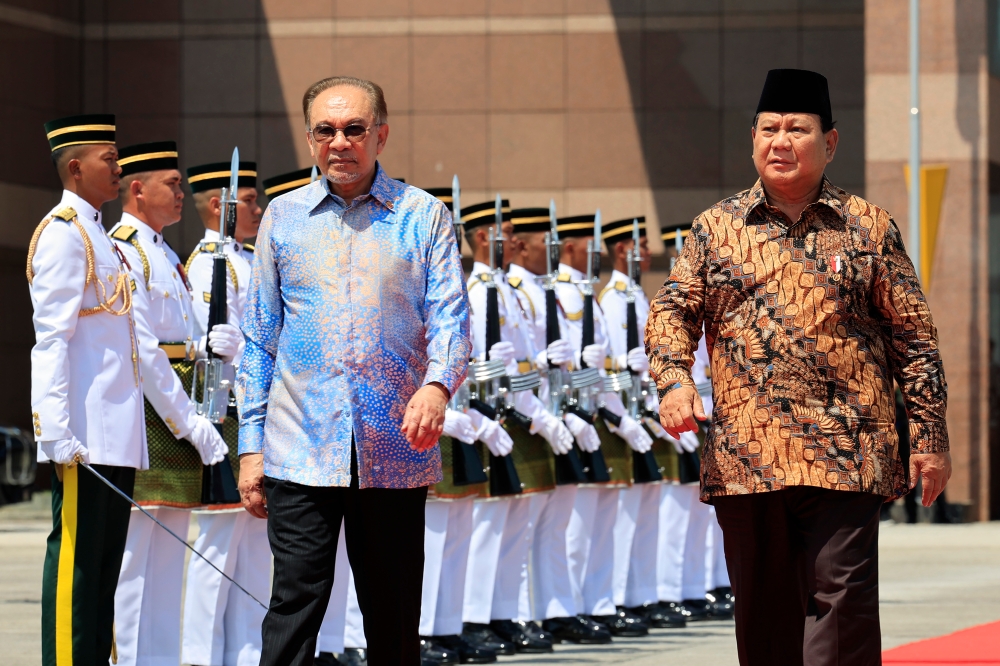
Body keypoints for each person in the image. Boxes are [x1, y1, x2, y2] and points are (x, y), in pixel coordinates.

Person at [645, 68, 952, 666]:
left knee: (842, 606)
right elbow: (671, 314)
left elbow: (915, 340)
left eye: (797, 129)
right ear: (752, 138)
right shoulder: (716, 229)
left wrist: (929, 439)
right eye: (768, 128)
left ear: (830, 142)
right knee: (764, 616)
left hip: (848, 449)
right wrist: (674, 381)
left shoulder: (868, 227)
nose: (780, 141)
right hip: (747, 455)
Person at [235, 76, 471, 666]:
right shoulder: (283, 219)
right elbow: (259, 339)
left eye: (355, 129)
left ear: (381, 135)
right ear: (310, 139)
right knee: (294, 608)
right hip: (299, 448)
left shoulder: (423, 216)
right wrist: (249, 446)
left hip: (394, 448)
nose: (340, 142)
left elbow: (452, 320)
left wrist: (438, 386)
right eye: (326, 130)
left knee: (392, 618)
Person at [108, 142, 235, 666]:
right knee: (134, 569)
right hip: (147, 421)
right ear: (137, 189)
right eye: (173, 184)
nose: (183, 193)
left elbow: (177, 342)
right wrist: (188, 423)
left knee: (168, 568)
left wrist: (207, 347)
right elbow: (143, 353)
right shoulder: (125, 248)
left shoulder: (162, 251)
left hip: (180, 417)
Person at [31, 114, 146, 666]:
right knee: (77, 565)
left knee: (104, 569)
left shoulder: (98, 233)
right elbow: (49, 340)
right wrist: (53, 430)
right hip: (82, 433)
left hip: (115, 433)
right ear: (76, 167)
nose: (119, 168)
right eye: (110, 158)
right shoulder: (63, 233)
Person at [180, 160, 270, 666]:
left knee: (255, 545)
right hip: (225, 410)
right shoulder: (206, 262)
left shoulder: (249, 259)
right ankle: (200, 658)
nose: (257, 209)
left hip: (256, 413)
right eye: (250, 200)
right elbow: (210, 345)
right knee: (216, 551)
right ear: (221, 205)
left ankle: (248, 654)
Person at [505, 217, 607, 645]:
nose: (551, 250)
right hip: (530, 414)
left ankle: (557, 609)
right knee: (525, 527)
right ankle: (525, 614)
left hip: (559, 410)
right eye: (544, 242)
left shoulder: (547, 289)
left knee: (554, 523)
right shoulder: (513, 289)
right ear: (522, 247)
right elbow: (519, 368)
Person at [551, 214, 651, 638]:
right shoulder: (565, 292)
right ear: (572, 247)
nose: (597, 252)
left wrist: (628, 416)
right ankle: (571, 606)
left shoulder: (590, 295)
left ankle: (599, 602)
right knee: (576, 524)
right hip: (578, 415)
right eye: (589, 243)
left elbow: (609, 366)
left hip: (605, 412)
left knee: (603, 523)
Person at [597, 217, 688, 630]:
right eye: (640, 244)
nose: (647, 251)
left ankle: (643, 595)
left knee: (649, 516)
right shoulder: (614, 298)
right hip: (626, 417)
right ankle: (621, 598)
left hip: (648, 415)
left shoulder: (637, 295)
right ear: (622, 250)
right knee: (627, 518)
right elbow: (612, 368)